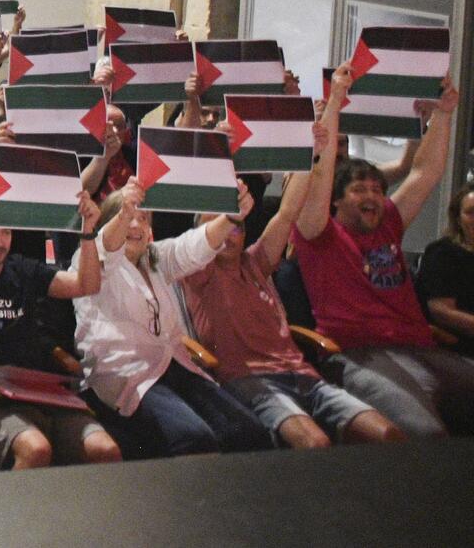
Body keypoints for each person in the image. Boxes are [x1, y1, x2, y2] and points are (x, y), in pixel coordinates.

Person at [184, 111, 401, 448]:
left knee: (387, 434)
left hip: (303, 375)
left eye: (237, 227)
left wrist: (308, 155)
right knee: (315, 443)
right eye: (222, 226)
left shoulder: (256, 261)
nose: (230, 234)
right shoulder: (198, 270)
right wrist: (221, 155)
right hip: (249, 379)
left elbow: (288, 212)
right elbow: (207, 218)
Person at [294, 73, 474, 437]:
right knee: (424, 433)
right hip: (357, 355)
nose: (372, 197)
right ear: (336, 200)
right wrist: (334, 104)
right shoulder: (317, 234)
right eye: (359, 189)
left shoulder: (388, 223)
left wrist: (444, 113)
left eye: (377, 189)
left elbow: (426, 172)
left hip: (419, 348)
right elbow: (319, 178)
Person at [69, 180, 269, 458]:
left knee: (250, 431)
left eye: (143, 217)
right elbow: (106, 247)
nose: (136, 225)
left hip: (172, 366)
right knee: (194, 437)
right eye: (128, 216)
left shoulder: (155, 257)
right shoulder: (89, 259)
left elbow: (192, 247)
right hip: (124, 374)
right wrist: (123, 216)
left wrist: (231, 218)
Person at [0, 178, 120, 470]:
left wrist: (87, 232)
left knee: (104, 449)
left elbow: (87, 284)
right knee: (36, 450)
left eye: (5, 232)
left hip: (38, 392)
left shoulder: (23, 268)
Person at [416, 181, 474, 351]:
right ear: (457, 218)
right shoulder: (442, 253)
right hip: (453, 347)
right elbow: (441, 312)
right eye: (470, 212)